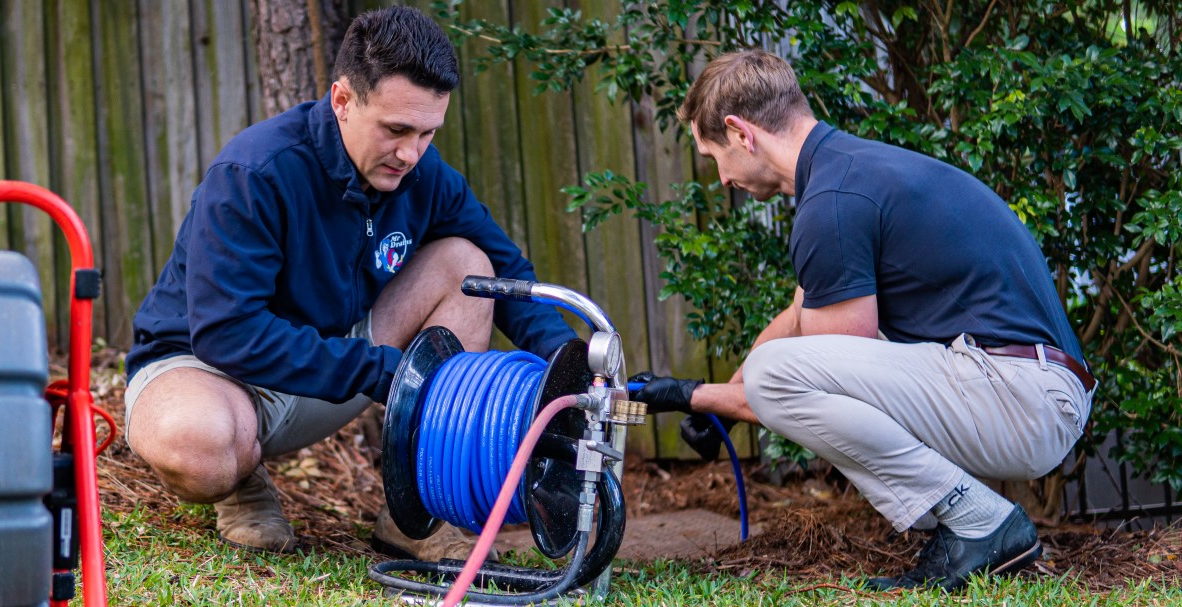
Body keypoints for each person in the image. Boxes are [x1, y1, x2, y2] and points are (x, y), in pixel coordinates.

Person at [122, 6, 576, 559]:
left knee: (468, 265)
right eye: (396, 130)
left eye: (428, 132)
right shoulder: (255, 173)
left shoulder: (422, 176)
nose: (411, 154)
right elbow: (227, 335)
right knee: (201, 445)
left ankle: (416, 513)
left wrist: (567, 362)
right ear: (342, 100)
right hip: (206, 370)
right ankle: (242, 485)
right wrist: (388, 371)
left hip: (329, 364)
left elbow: (506, 270)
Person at [632, 49, 1094, 591]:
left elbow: (821, 372)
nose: (723, 179)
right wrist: (728, 403)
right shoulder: (846, 173)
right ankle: (969, 522)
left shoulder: (832, 201)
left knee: (774, 373)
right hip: (1036, 390)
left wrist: (693, 395)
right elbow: (797, 319)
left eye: (713, 157)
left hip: (1023, 399)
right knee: (772, 367)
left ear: (740, 133)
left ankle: (978, 522)